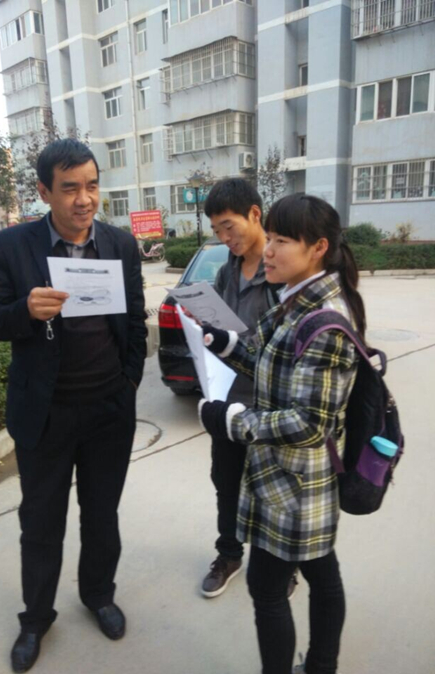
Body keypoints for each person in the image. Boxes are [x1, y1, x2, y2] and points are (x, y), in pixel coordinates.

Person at [0, 139, 147, 673]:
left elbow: (135, 320)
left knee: (102, 514)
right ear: (43, 191)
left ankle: (98, 595)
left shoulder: (120, 245)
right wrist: (26, 310)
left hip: (108, 411)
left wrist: (128, 382)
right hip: (45, 413)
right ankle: (35, 618)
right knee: (41, 521)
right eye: (70, 187)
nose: (84, 199)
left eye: (92, 185)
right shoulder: (11, 246)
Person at [199, 194, 365, 674]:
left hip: (295, 484)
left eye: (281, 241)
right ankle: (322, 666)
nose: (267, 251)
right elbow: (270, 364)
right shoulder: (295, 301)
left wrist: (231, 422)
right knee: (321, 571)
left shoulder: (324, 321)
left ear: (318, 247)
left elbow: (310, 422)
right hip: (288, 478)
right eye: (269, 238)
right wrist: (225, 343)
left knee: (268, 587)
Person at [200, 179, 283, 598]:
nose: (224, 238)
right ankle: (229, 554)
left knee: (273, 492)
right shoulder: (226, 272)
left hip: (270, 408)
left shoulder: (280, 270)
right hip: (228, 399)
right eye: (216, 230)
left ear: (254, 214)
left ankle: (281, 567)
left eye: (228, 226)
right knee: (226, 482)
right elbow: (218, 328)